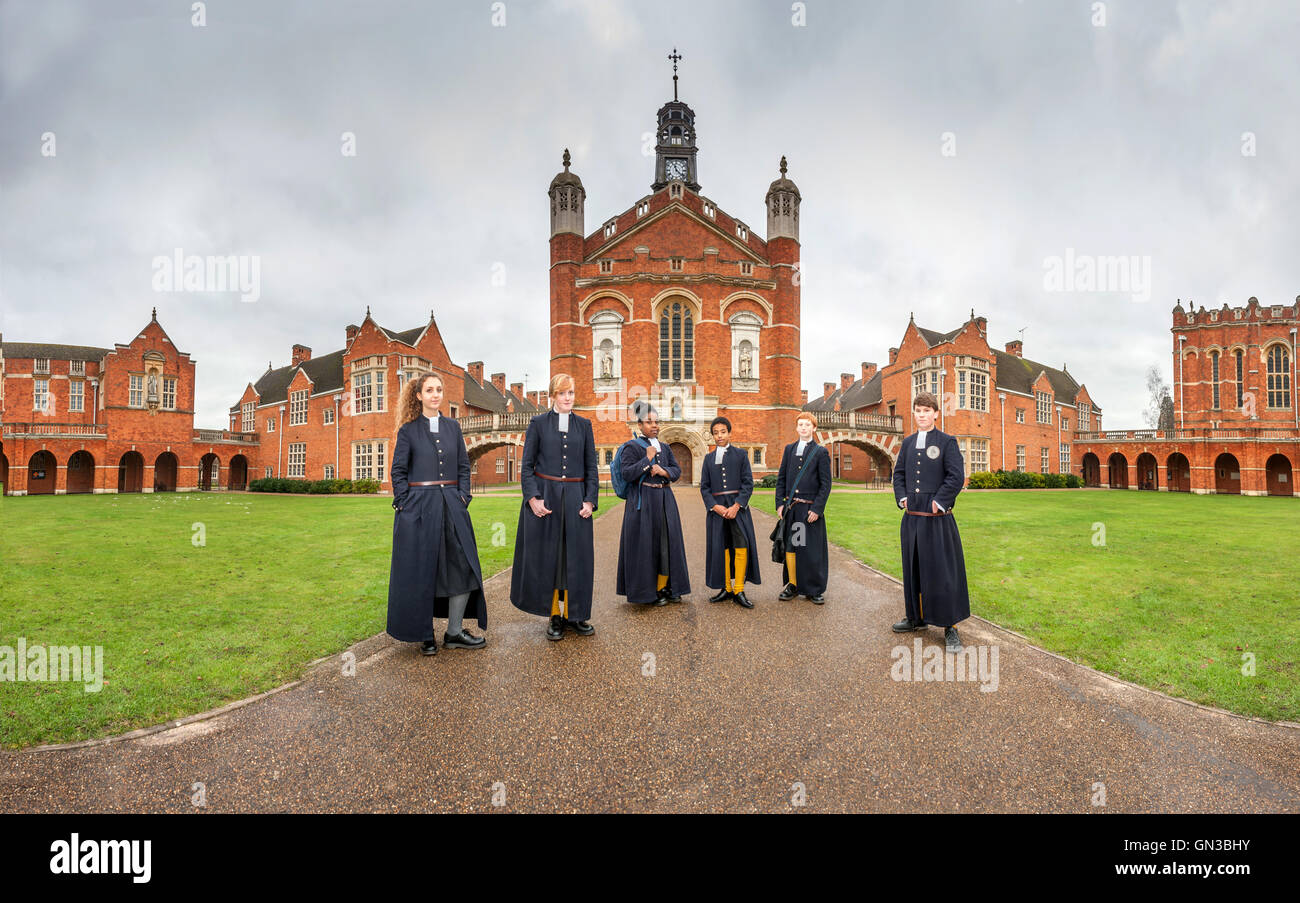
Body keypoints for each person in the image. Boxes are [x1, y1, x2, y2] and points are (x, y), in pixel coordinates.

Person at [387, 372, 487, 654]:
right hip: (419, 508)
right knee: (422, 570)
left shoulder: (453, 427)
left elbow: (463, 467)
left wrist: (463, 496)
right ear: (418, 396)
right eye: (429, 390)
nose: (435, 394)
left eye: (439, 389)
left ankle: (454, 632)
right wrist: (403, 504)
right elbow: (398, 471)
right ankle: (425, 634)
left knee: (464, 567)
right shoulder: (408, 430)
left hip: (452, 506)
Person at [509, 373, 599, 641]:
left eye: (570, 392)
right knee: (551, 558)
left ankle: (575, 614)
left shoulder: (584, 425)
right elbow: (526, 467)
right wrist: (533, 498)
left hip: (575, 497)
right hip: (546, 497)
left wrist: (590, 499)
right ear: (553, 396)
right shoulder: (538, 423)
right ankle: (554, 616)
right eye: (562, 393)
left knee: (576, 558)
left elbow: (591, 468)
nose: (567, 398)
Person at [891, 391, 971, 652]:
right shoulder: (908, 442)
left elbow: (955, 477)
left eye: (927, 410)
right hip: (912, 519)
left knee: (942, 574)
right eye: (918, 410)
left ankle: (951, 628)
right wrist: (901, 497)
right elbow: (899, 474)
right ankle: (916, 618)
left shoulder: (947, 442)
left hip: (937, 520)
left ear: (936, 413)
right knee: (913, 570)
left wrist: (939, 501)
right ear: (914, 413)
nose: (922, 415)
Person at [615, 401, 691, 606]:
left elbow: (676, 471)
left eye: (656, 422)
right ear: (640, 425)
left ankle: (667, 587)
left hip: (665, 499)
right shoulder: (631, 446)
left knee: (668, 543)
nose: (654, 425)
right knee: (646, 546)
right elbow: (627, 473)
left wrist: (663, 471)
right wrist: (646, 461)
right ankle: (649, 593)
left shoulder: (665, 447)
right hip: (643, 502)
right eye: (649, 422)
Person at [699, 416, 760, 608]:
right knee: (722, 547)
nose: (719, 436)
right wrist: (715, 506)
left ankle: (739, 589)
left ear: (729, 433)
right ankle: (726, 588)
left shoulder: (741, 455)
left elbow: (748, 483)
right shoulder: (708, 459)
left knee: (741, 545)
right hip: (717, 510)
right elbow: (705, 487)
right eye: (715, 433)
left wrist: (736, 505)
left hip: (737, 509)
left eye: (723, 432)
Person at [775, 412, 831, 603]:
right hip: (792, 509)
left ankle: (814, 589)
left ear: (814, 428)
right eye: (801, 425)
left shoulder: (821, 452)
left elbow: (825, 484)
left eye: (808, 425)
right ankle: (793, 584)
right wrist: (780, 504)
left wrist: (817, 509)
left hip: (809, 511)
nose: (804, 428)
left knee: (810, 550)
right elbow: (781, 479)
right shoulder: (789, 450)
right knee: (792, 547)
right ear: (797, 428)